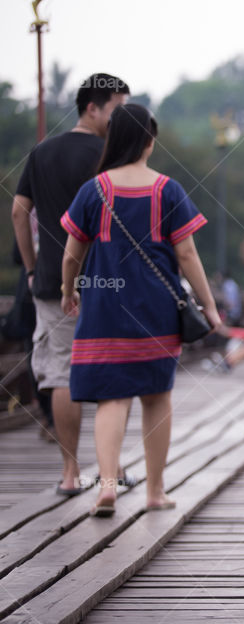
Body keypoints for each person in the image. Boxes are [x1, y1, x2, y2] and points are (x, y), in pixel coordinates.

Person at [59, 104, 220, 517]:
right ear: (149, 140)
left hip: (103, 311)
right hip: (155, 310)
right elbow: (186, 253)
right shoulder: (167, 189)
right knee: (156, 397)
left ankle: (107, 486)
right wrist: (209, 306)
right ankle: (154, 491)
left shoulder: (93, 190)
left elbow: (72, 254)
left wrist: (68, 291)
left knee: (111, 400)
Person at [11, 73, 130, 495]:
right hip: (107, 279)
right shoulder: (111, 155)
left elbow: (18, 211)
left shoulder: (41, 153)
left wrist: (31, 266)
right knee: (113, 370)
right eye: (116, 109)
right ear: (92, 107)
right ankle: (110, 471)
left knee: (61, 373)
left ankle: (68, 472)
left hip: (49, 281)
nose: (120, 121)